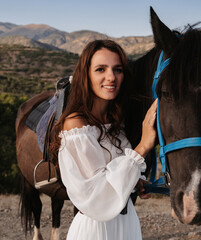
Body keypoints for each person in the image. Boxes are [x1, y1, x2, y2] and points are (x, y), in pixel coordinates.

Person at [50, 39, 157, 240]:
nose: (111, 77)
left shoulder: (115, 121)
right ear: (86, 75)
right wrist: (142, 147)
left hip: (127, 224)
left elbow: (110, 174)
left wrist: (134, 181)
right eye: (100, 69)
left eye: (118, 70)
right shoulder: (76, 126)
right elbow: (97, 197)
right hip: (95, 230)